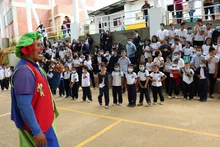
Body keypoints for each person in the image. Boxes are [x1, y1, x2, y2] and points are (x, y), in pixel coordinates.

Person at [11, 32, 62, 147]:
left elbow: (51, 88)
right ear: (27, 49)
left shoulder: (36, 68)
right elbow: (24, 105)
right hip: (38, 127)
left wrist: (57, 74)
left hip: (44, 123)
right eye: (38, 45)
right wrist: (36, 131)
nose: (42, 48)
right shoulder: (24, 71)